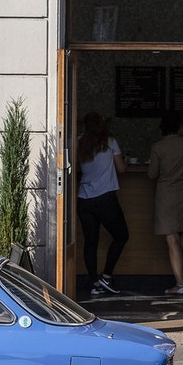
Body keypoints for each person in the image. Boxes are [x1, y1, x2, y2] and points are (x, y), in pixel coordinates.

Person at [148, 111, 183, 295]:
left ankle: (180, 284)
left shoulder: (158, 147)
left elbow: (152, 174)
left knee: (173, 241)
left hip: (166, 196)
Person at [75, 112, 129, 296]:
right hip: (105, 198)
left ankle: (94, 283)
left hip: (84, 198)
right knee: (121, 235)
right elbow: (121, 168)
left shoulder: (78, 142)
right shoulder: (110, 142)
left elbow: (74, 168)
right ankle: (106, 276)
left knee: (91, 242)